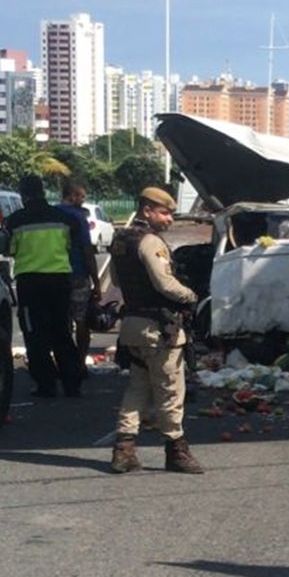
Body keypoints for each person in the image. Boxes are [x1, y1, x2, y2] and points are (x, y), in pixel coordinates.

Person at [109, 186, 202, 475]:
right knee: (170, 390)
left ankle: (123, 450)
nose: (169, 219)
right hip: (160, 329)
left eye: (171, 213)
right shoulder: (150, 242)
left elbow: (114, 278)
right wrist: (191, 296)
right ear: (147, 211)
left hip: (134, 327)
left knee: (137, 387)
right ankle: (177, 451)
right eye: (164, 212)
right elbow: (165, 284)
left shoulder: (122, 239)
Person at [7, 175, 84, 398]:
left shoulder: (15, 221)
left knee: (35, 333)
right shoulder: (65, 219)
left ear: (23, 195)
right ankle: (72, 382)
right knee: (61, 330)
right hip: (59, 281)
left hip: (30, 284)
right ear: (43, 191)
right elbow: (72, 246)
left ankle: (46, 384)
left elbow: (10, 250)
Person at [56, 180, 104, 375]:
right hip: (77, 274)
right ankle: (79, 362)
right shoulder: (78, 217)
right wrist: (96, 281)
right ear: (72, 196)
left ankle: (64, 362)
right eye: (81, 196)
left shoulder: (53, 215)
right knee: (82, 320)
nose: (83, 201)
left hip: (56, 275)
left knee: (62, 322)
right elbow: (87, 251)